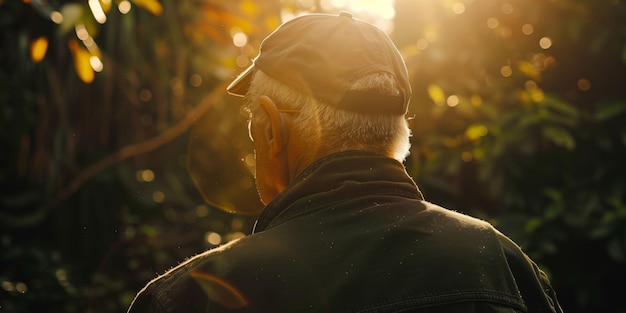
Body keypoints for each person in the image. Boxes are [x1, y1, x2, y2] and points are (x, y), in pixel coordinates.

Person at [127, 12, 563, 313]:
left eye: (252, 124)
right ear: (398, 132)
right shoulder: (503, 268)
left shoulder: (194, 296)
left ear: (273, 130)